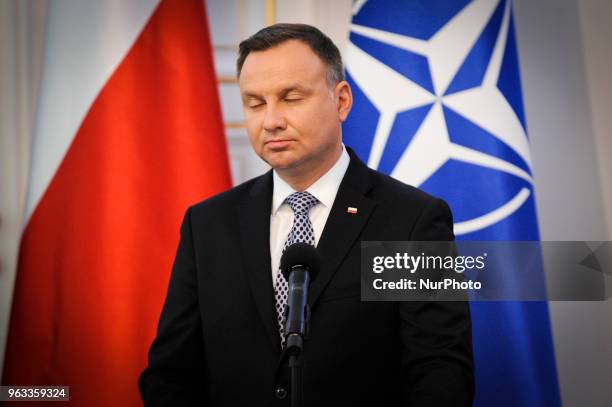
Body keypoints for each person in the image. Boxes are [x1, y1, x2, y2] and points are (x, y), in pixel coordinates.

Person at [139, 23, 474, 406]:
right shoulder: (208, 225)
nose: (271, 121)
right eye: (255, 103)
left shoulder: (411, 221)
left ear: (342, 100)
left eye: (291, 97)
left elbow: (440, 373)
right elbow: (171, 374)